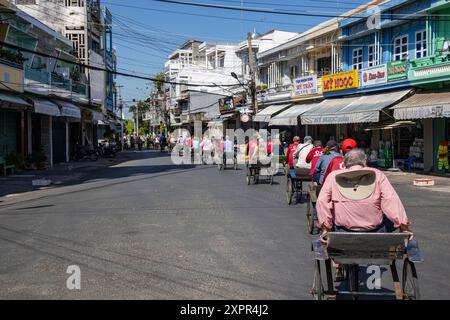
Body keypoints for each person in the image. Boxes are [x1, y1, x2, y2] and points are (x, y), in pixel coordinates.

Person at [317, 148, 413, 239]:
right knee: (390, 216)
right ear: (365, 162)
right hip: (375, 229)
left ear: (345, 163)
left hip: (341, 229)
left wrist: (326, 228)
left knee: (332, 212)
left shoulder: (333, 176)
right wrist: (403, 227)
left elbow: (322, 201)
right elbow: (391, 200)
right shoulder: (377, 174)